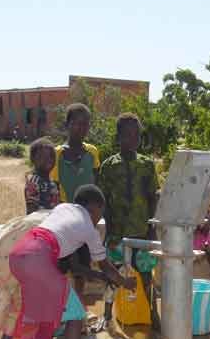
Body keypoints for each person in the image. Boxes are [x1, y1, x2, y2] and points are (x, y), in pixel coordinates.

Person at [9, 185, 135, 339]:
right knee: (76, 315)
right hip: (39, 258)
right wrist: (125, 282)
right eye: (100, 215)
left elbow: (70, 254)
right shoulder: (88, 227)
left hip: (21, 253)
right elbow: (105, 266)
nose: (98, 220)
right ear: (95, 208)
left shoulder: (63, 208)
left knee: (44, 311)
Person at [0, 210, 107, 339]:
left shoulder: (66, 221)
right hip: (22, 246)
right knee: (35, 304)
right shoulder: (77, 237)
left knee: (20, 305)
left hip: (9, 238)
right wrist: (78, 314)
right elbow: (76, 271)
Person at [98, 113, 160, 325]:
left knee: (145, 275)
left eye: (136, 135)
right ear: (118, 137)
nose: (132, 139)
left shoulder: (147, 165)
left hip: (142, 232)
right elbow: (103, 200)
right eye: (127, 135)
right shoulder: (109, 166)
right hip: (117, 233)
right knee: (113, 276)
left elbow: (153, 197)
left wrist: (152, 228)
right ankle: (107, 314)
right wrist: (109, 229)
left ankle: (153, 313)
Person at [49, 103, 101, 305]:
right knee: (60, 269)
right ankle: (59, 312)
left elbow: (95, 184)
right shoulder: (58, 154)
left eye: (86, 124)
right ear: (67, 125)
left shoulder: (92, 153)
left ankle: (78, 312)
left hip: (86, 222)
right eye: (77, 123)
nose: (82, 128)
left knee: (81, 270)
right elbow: (55, 187)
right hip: (63, 222)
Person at [25, 138, 60, 214]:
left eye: (51, 156)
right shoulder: (34, 183)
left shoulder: (52, 182)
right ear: (33, 159)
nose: (48, 160)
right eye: (42, 156)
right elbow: (32, 212)